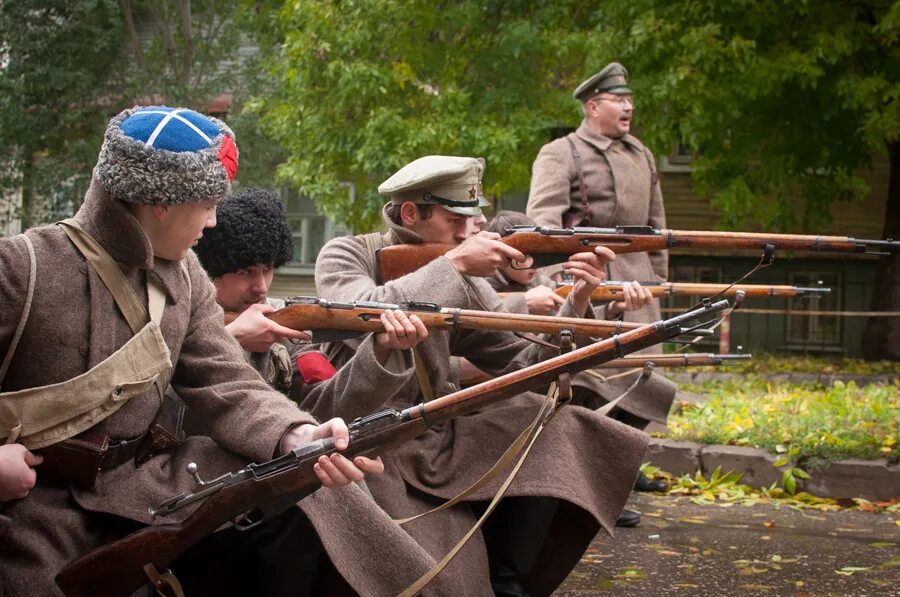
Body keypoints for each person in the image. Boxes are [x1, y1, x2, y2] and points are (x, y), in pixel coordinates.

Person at [0, 106, 384, 596]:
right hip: (32, 506)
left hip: (140, 485)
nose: (214, 220)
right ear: (162, 202)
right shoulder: (22, 269)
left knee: (305, 488)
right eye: (206, 203)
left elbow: (226, 381)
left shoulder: (186, 279)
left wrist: (297, 435)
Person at [307, 154, 650, 596]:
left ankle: (512, 575)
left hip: (436, 436)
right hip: (367, 438)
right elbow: (363, 311)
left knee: (565, 427)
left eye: (471, 219)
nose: (467, 231)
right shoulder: (348, 253)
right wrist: (452, 268)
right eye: (454, 218)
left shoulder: (461, 267)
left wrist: (581, 301)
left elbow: (527, 363)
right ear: (411, 213)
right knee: (431, 576)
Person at [526, 63, 676, 507]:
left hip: (639, 284)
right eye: (618, 100)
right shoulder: (563, 152)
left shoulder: (642, 154)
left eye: (630, 99)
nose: (628, 106)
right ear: (593, 107)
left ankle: (617, 477)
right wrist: (558, 286)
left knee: (645, 385)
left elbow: (657, 225)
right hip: (589, 283)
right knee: (592, 387)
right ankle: (586, 491)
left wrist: (660, 281)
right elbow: (543, 226)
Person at [484, 210, 675, 527]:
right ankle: (586, 500)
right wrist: (523, 305)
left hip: (549, 372)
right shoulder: (485, 286)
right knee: (583, 403)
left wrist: (615, 305)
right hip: (513, 382)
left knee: (650, 387)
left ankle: (600, 491)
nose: (531, 265)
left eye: (537, 257)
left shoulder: (542, 280)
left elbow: (572, 314)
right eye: (521, 258)